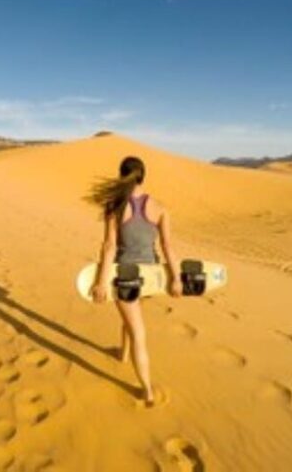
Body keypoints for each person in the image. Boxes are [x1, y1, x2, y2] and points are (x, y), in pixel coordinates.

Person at [87, 156, 182, 406]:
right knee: (131, 317)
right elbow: (168, 246)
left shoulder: (115, 207)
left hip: (126, 277)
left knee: (138, 331)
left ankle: (147, 391)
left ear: (122, 176)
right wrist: (175, 278)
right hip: (151, 278)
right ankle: (123, 354)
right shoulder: (160, 207)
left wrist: (100, 282)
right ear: (143, 175)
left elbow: (109, 247)